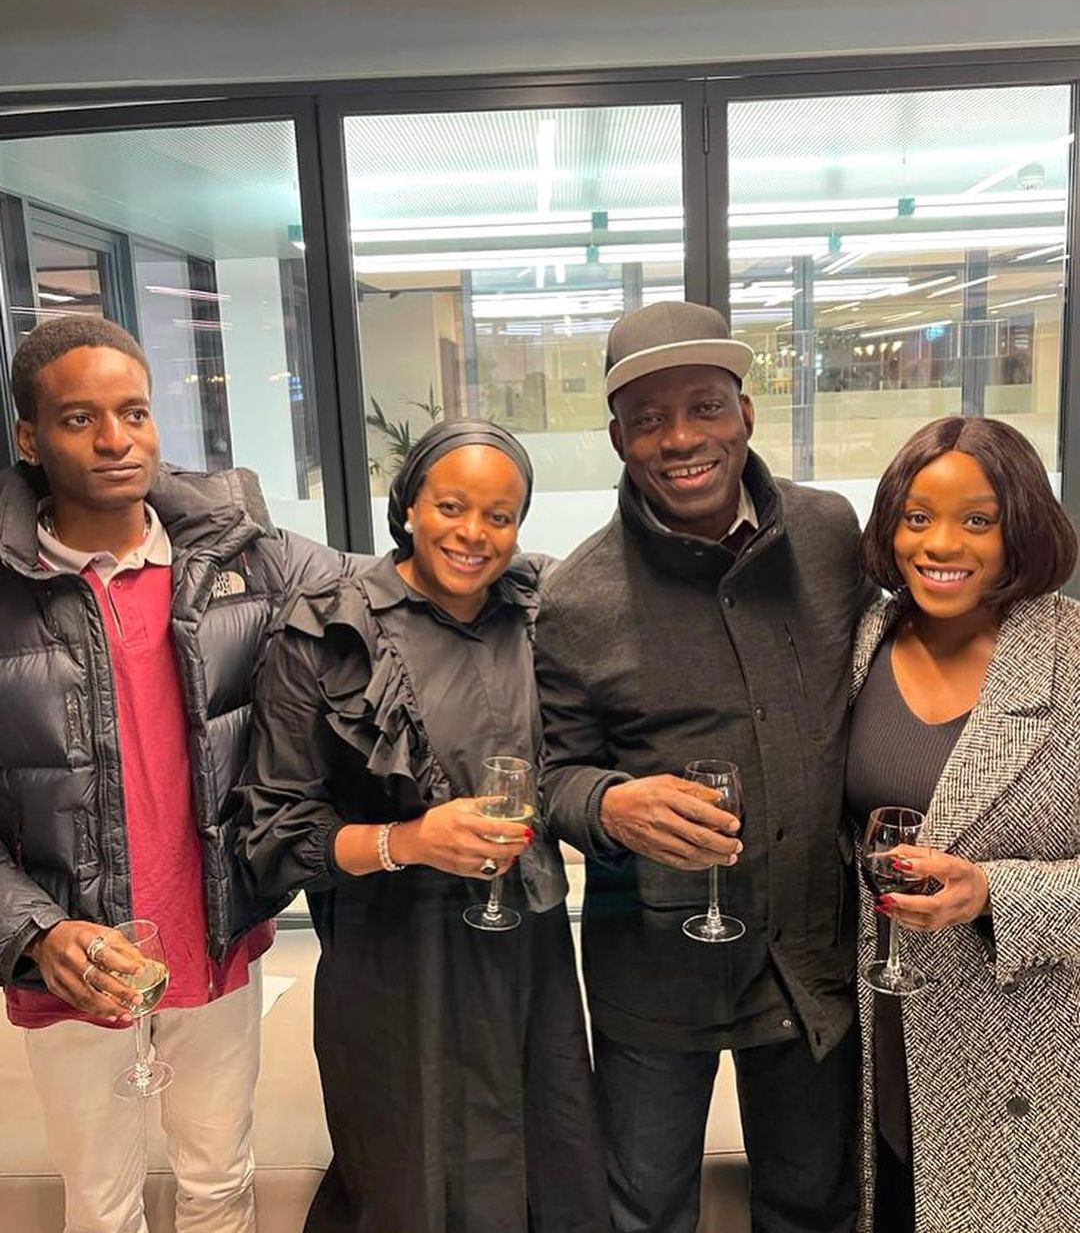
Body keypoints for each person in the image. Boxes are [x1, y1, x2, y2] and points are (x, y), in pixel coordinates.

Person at [0, 315, 351, 1233]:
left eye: (135, 412)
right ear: (30, 437)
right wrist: (37, 934)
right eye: (80, 419)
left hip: (215, 935)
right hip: (73, 960)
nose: (118, 440)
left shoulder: (243, 558)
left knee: (218, 1180)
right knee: (102, 1204)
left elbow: (392, 587)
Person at [534, 300, 874, 1233]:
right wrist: (610, 802)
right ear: (617, 438)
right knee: (645, 1206)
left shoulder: (831, 535)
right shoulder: (576, 598)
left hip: (810, 952)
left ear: (746, 413)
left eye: (704, 407)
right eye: (648, 419)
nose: (679, 439)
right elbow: (552, 774)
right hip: (656, 968)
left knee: (813, 1200)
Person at [234, 419, 610, 1233]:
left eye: (500, 515)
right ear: (408, 506)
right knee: (409, 1176)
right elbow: (270, 830)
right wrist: (405, 841)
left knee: (544, 1155)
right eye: (451, 505)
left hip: (527, 957)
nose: (474, 533)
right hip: (391, 962)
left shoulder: (543, 614)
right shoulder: (328, 628)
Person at [846, 416, 1079, 1233]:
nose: (941, 542)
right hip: (885, 1033)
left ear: (1021, 527)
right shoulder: (866, 640)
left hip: (1029, 1059)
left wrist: (994, 892)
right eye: (917, 517)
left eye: (977, 519)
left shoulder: (1072, 656)